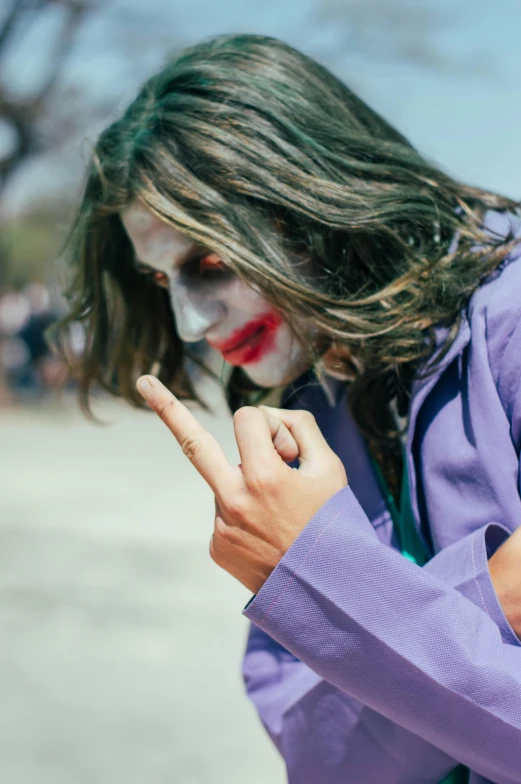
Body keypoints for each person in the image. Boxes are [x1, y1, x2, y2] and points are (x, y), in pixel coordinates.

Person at [53, 34, 521, 784]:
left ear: (309, 186)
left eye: (207, 263)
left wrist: (339, 600)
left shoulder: (511, 322)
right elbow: (321, 759)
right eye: (158, 282)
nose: (190, 325)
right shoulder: (305, 419)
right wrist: (481, 601)